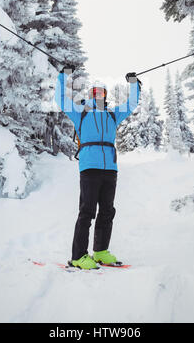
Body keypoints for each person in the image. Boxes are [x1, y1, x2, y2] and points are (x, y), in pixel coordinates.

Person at [55, 65, 141, 269]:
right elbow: (60, 99)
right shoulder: (81, 112)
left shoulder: (113, 114)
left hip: (110, 169)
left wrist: (134, 84)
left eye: (102, 92)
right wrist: (63, 76)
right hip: (89, 167)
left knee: (107, 211)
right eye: (95, 91)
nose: (99, 94)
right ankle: (78, 256)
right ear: (91, 94)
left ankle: (101, 251)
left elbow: (131, 103)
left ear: (106, 94)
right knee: (87, 211)